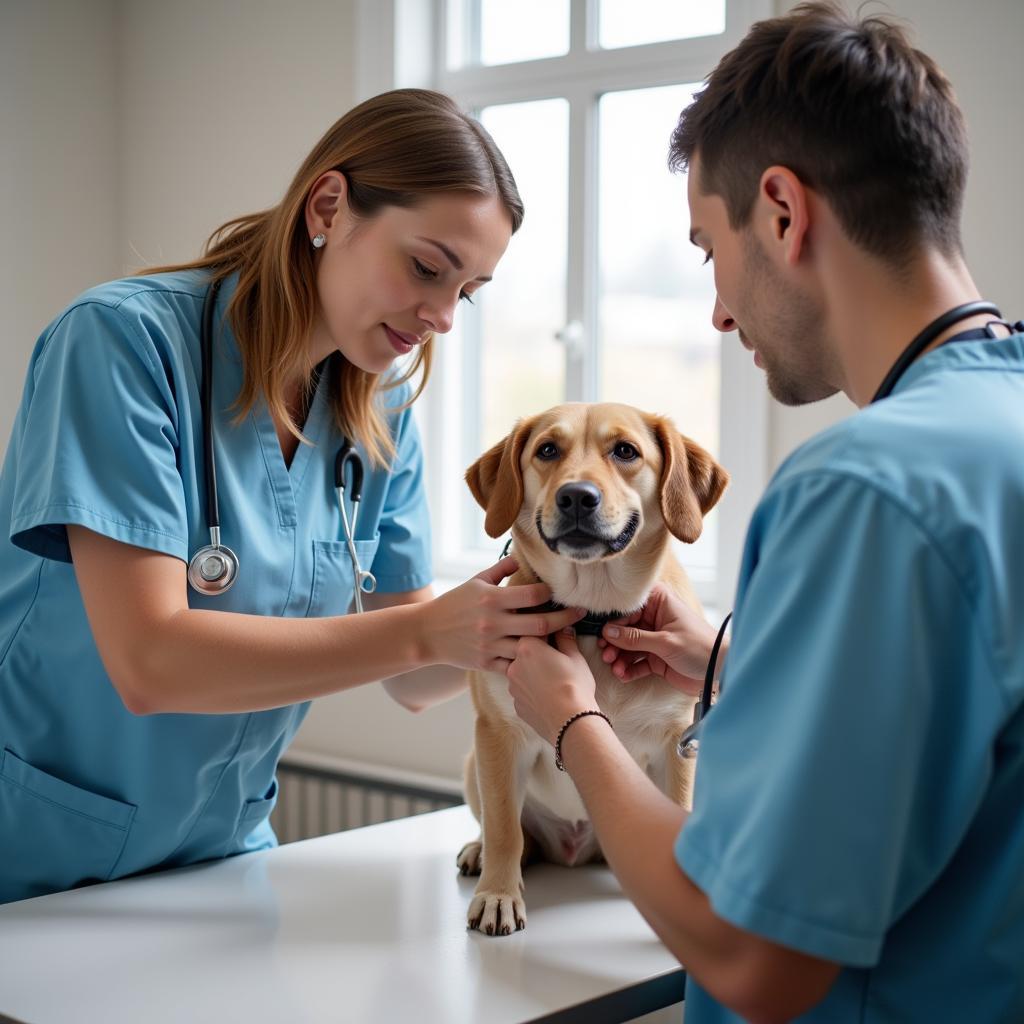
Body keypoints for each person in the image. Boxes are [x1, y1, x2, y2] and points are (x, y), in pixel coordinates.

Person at [505, 4, 1024, 1022]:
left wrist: (567, 721)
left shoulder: (863, 489)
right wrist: (737, 669)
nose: (718, 311)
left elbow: (752, 957)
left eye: (709, 250)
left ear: (781, 212)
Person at [0, 88, 582, 905]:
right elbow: (149, 661)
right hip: (34, 860)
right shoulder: (121, 344)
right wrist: (426, 632)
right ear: (330, 205)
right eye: (427, 268)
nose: (445, 316)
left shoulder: (379, 409)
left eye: (470, 290)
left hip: (221, 855)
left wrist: (552, 600)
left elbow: (416, 676)